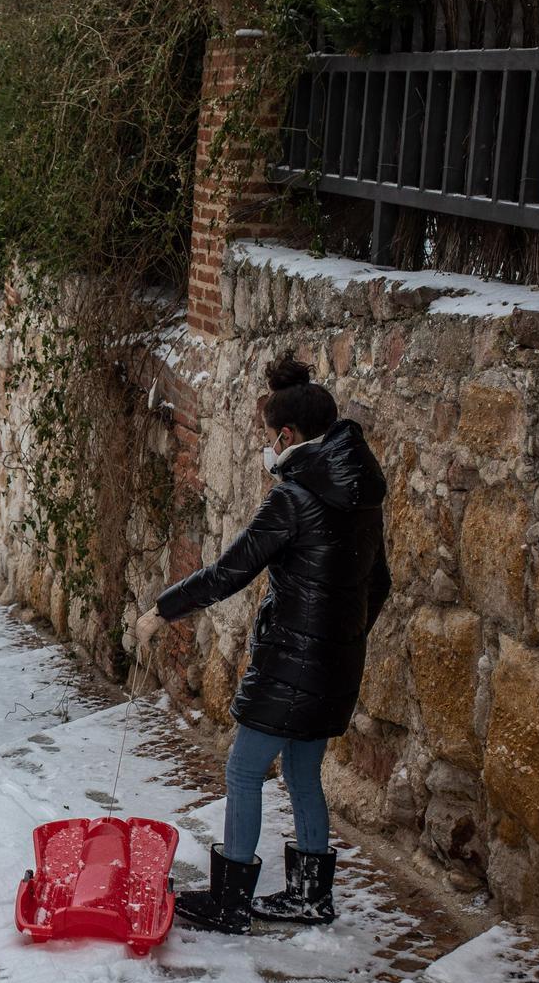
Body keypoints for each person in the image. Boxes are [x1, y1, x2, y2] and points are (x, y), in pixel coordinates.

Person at [133, 357, 389, 935]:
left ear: (286, 436)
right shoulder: (362, 494)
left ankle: (229, 903)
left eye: (265, 434)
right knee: (303, 774)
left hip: (290, 663)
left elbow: (228, 572)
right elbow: (381, 582)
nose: (264, 444)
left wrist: (161, 609)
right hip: (338, 661)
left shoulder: (293, 498)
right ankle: (309, 899)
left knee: (245, 769)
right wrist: (342, 638)